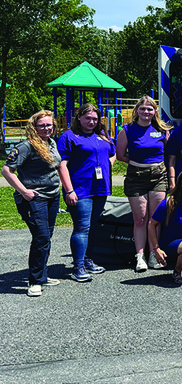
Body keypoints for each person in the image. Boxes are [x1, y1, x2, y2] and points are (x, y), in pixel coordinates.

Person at [2, 111, 62, 297]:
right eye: (42, 125)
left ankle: (42, 275)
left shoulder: (50, 143)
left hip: (53, 196)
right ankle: (35, 281)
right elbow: (6, 170)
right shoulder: (26, 146)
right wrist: (24, 192)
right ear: (34, 127)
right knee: (41, 237)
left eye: (49, 125)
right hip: (34, 199)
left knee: (46, 236)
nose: (47, 128)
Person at [56, 103, 116, 282]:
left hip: (100, 188)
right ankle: (78, 266)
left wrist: (107, 166)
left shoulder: (102, 136)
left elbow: (113, 153)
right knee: (82, 227)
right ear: (79, 118)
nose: (91, 122)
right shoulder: (69, 136)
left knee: (93, 226)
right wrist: (69, 190)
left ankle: (88, 260)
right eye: (88, 118)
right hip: (80, 189)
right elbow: (61, 165)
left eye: (95, 119)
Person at [116, 95, 171, 273]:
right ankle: (140, 256)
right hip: (136, 176)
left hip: (159, 176)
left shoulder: (162, 129)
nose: (146, 112)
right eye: (143, 109)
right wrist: (138, 162)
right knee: (140, 219)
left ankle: (154, 253)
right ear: (137, 111)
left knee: (155, 219)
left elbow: (169, 153)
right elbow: (121, 155)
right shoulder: (127, 130)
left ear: (155, 111)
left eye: (150, 109)